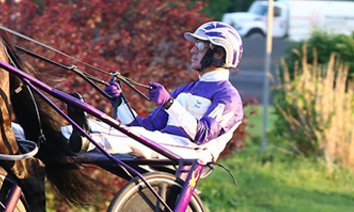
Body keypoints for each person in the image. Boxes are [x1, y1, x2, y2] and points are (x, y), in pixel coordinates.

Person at [65, 21, 245, 162]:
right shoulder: (183, 91)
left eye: (199, 46)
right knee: (105, 128)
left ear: (219, 54)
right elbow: (144, 128)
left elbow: (202, 134)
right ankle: (61, 136)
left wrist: (169, 103)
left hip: (193, 153)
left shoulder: (229, 97)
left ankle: (82, 137)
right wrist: (119, 102)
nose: (192, 50)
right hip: (165, 146)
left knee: (128, 137)